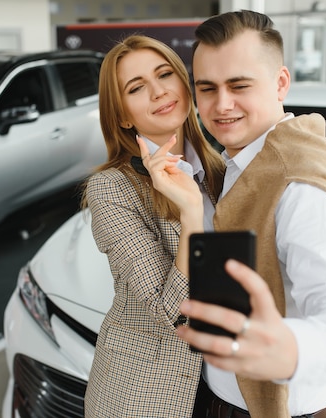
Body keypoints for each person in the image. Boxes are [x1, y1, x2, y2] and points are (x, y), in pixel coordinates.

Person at [146, 9, 326, 418]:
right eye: (207, 88)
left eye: (239, 85)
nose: (221, 105)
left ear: (281, 83)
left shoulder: (298, 184)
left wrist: (290, 349)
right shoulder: (240, 163)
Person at [82, 35, 225, 417]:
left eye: (165, 74)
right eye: (137, 87)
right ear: (124, 116)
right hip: (147, 390)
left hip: (227, 387)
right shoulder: (112, 188)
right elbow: (173, 311)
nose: (159, 91)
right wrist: (191, 213)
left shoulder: (221, 171)